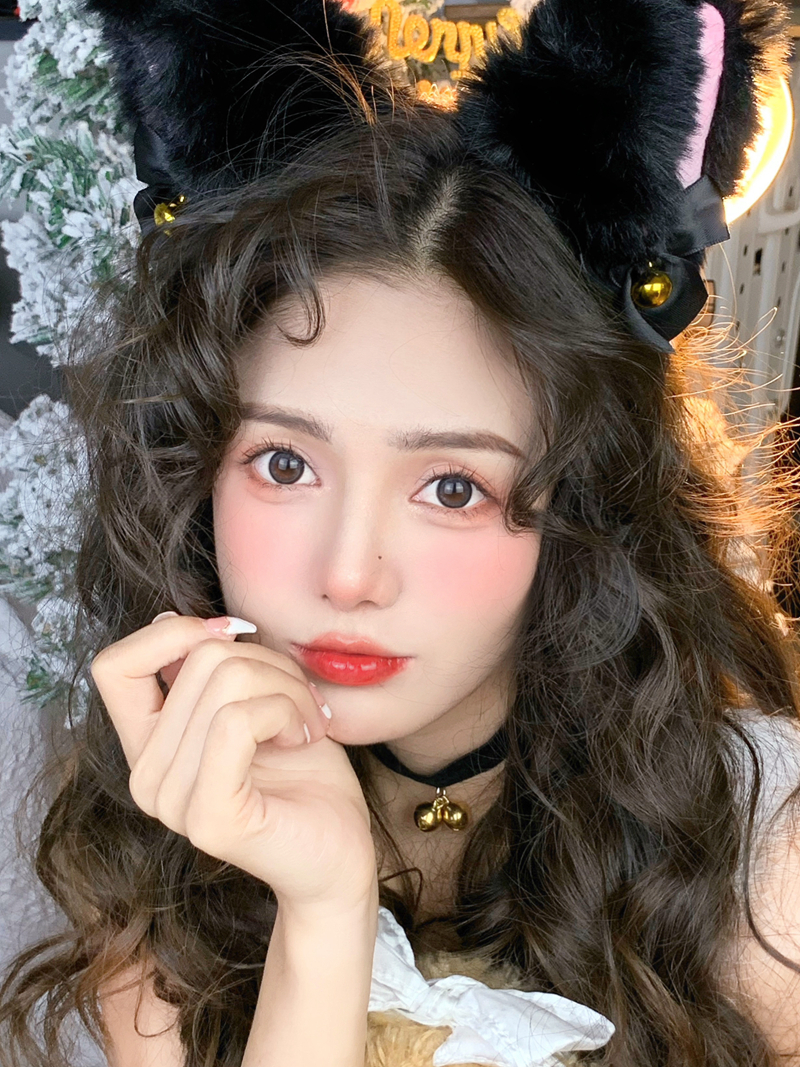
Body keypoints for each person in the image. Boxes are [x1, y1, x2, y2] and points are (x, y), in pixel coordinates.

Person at [1, 0, 800, 1065]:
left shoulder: (764, 869)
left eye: (452, 487)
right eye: (284, 464)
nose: (347, 575)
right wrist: (322, 909)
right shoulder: (172, 823)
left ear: (582, 502)